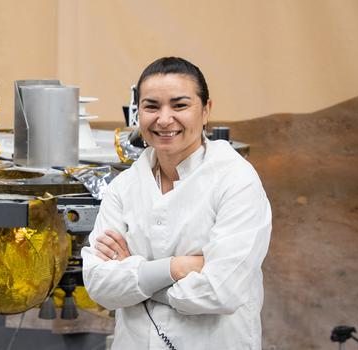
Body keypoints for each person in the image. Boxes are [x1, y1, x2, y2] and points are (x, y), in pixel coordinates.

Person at [81, 57, 272, 349]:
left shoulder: (236, 181)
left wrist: (139, 276)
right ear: (138, 112)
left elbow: (220, 291)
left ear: (206, 110)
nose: (164, 119)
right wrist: (177, 268)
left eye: (180, 105)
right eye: (151, 106)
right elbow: (99, 285)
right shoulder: (124, 187)